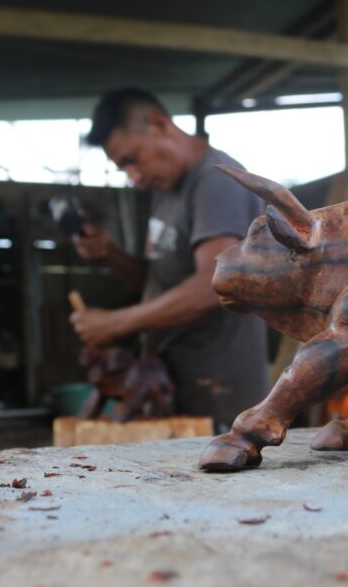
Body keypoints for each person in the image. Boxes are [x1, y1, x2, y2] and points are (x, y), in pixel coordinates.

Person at [70, 87, 268, 432]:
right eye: (123, 168)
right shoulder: (165, 190)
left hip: (218, 393)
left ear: (159, 125)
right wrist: (110, 254)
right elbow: (158, 281)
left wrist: (115, 323)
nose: (134, 175)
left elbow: (216, 285)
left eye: (133, 159)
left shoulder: (215, 182)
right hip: (175, 384)